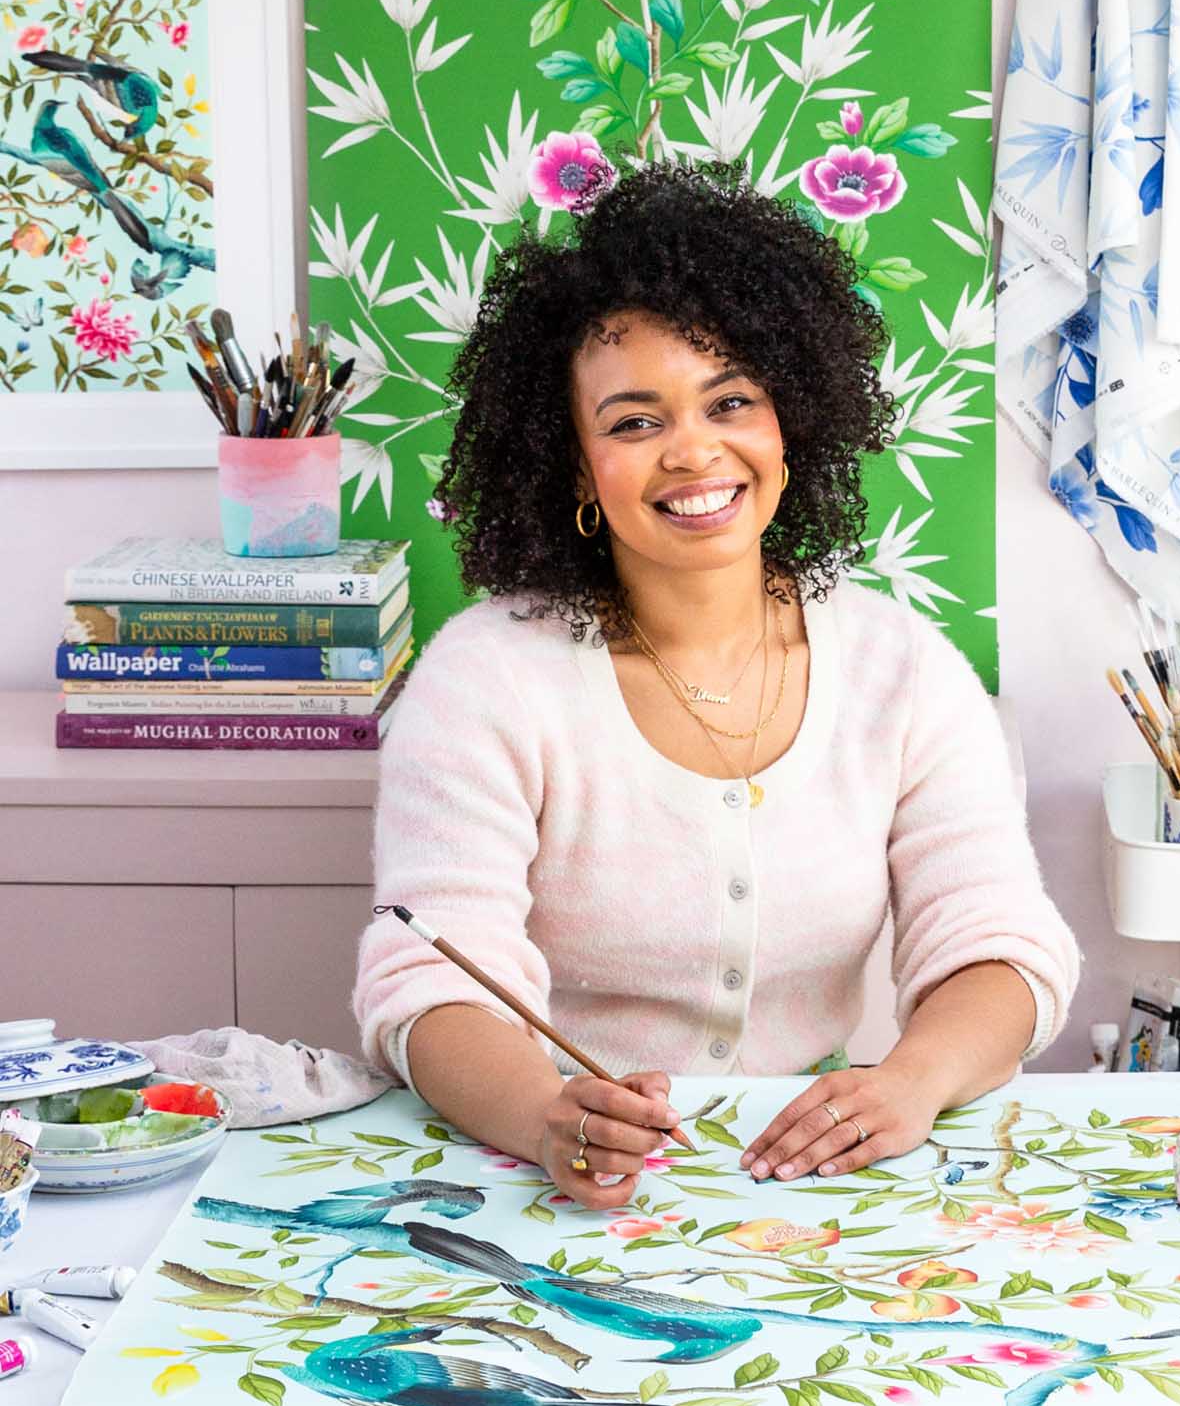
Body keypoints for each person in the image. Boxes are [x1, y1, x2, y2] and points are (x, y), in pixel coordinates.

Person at [355, 164, 1078, 1214]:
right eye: (634, 421)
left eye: (730, 400)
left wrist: (907, 1082)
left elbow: (999, 944)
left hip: (825, 1182)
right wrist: (545, 1111)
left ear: (790, 420)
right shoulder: (485, 677)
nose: (693, 449)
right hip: (542, 1180)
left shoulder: (902, 670)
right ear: (574, 466)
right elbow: (426, 978)